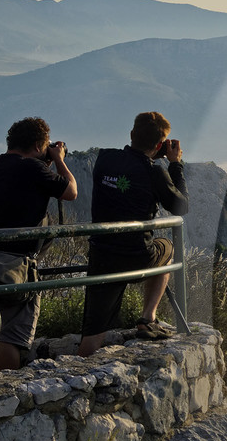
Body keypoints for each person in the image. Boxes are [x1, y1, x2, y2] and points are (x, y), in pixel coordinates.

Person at [0, 117, 79, 374]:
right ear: (37, 145)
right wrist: (58, 159)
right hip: (17, 266)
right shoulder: (33, 169)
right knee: (11, 338)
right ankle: (8, 389)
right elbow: (71, 191)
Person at [77, 111, 188, 356]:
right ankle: (148, 318)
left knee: (93, 333)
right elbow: (181, 207)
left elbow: (126, 172)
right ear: (159, 145)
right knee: (167, 248)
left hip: (102, 256)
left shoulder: (104, 159)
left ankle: (80, 369)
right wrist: (175, 164)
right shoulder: (154, 172)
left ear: (131, 134)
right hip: (137, 256)